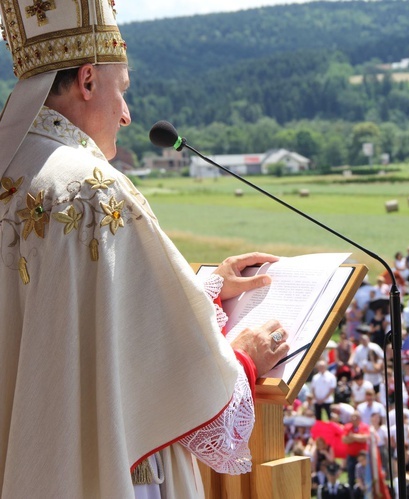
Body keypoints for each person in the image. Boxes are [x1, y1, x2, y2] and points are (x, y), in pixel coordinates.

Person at [0, 3, 292, 497]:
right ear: (88, 80)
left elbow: (78, 316)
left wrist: (209, 288)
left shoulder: (14, 168)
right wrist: (241, 362)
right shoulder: (92, 188)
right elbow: (190, 402)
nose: (128, 114)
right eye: (123, 90)